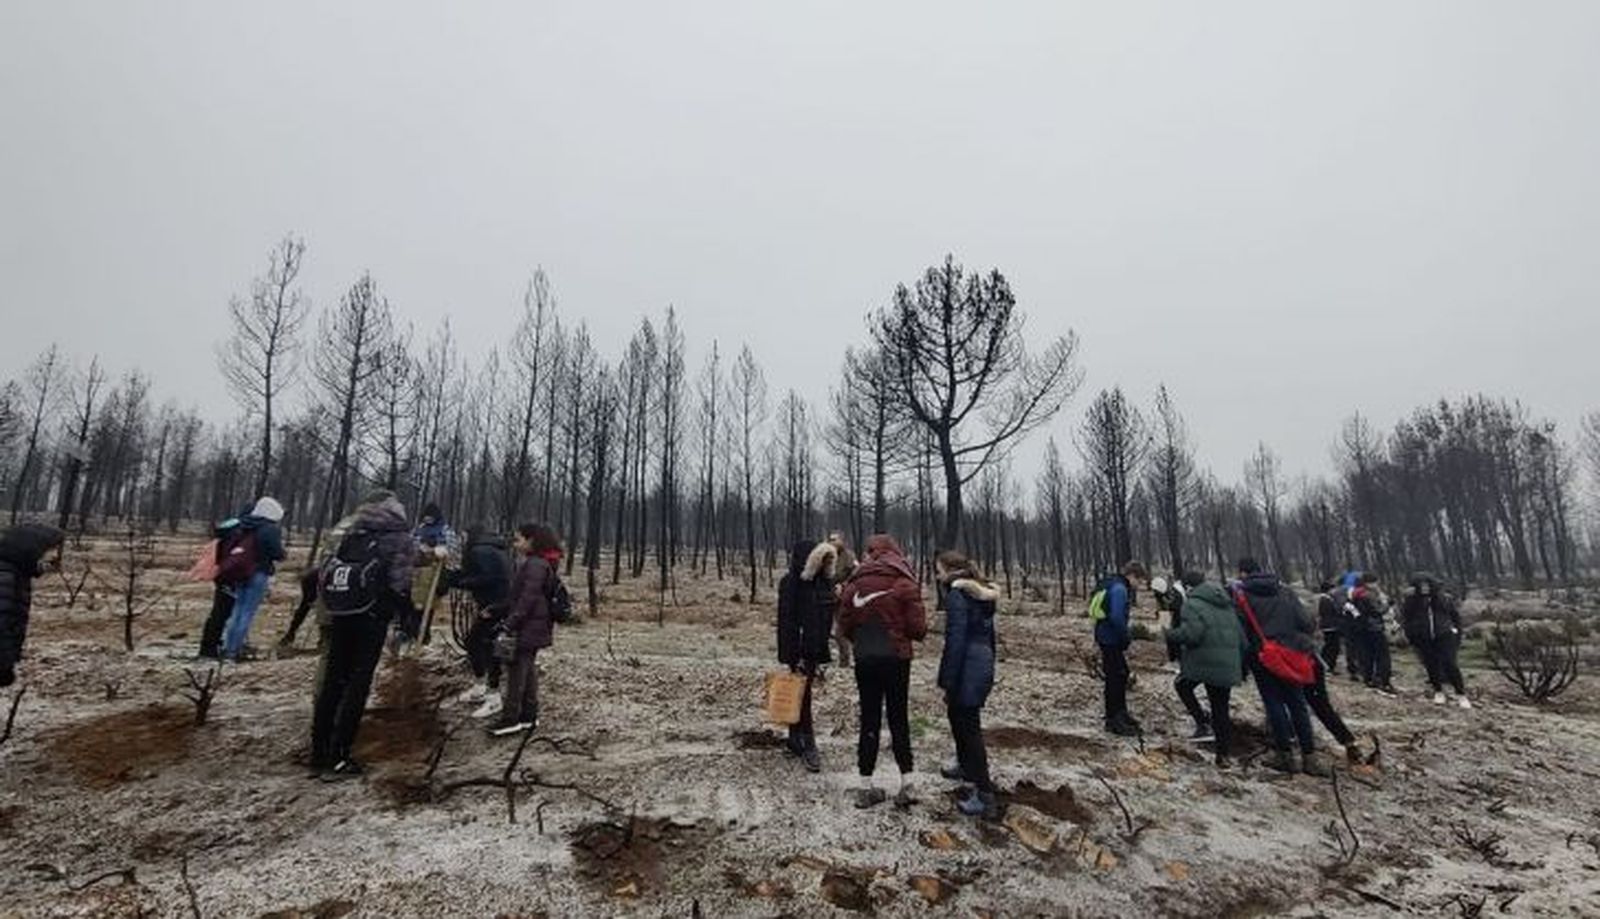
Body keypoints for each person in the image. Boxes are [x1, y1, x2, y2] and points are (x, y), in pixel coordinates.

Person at [310, 491, 419, 779]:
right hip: (372, 615)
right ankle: (340, 755)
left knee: (334, 680)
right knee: (358, 683)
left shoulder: (354, 531)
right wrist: (407, 616)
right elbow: (400, 584)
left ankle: (317, 752)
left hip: (342, 610)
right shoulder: (399, 538)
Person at [837, 534, 927, 809]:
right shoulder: (904, 580)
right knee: (899, 717)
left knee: (869, 718)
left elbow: (844, 624)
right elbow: (919, 629)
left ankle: (865, 786)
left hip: (865, 658)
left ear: (870, 553)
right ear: (894, 551)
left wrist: (862, 641)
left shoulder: (855, 583)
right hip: (897, 658)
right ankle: (907, 783)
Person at [1232, 558, 1330, 776]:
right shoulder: (1285, 591)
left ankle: (1284, 754)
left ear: (1243, 574)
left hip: (1263, 656)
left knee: (1273, 703)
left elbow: (1241, 633)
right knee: (1298, 703)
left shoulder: (1242, 596)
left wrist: (1244, 661)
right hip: (1293, 653)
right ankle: (1309, 756)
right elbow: (1306, 622)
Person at [934, 550, 1002, 820]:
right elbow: (990, 638)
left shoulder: (956, 597)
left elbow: (956, 641)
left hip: (967, 667)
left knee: (968, 727)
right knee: (960, 719)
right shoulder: (979, 595)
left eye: (939, 570)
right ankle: (965, 766)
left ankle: (984, 795)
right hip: (981, 663)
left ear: (950, 570)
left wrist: (947, 680)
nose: (937, 575)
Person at [487, 523, 562, 737]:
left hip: (528, 626)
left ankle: (510, 718)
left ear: (532, 541)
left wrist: (509, 624)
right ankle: (529, 715)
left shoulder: (535, 565)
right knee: (527, 671)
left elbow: (526, 599)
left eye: (519, 539)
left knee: (516, 673)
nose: (515, 543)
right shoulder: (539, 563)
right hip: (534, 625)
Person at [1164, 576, 1247, 768]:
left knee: (1182, 685)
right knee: (1221, 708)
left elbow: (1192, 635)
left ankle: (1202, 723)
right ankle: (1223, 755)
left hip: (1204, 662)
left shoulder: (1192, 604)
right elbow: (1243, 640)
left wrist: (1169, 634)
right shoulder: (1227, 604)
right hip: (1228, 664)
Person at [778, 539, 835, 772]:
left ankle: (794, 738)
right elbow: (786, 621)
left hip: (815, 647)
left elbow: (824, 619)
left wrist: (822, 653)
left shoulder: (822, 582)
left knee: (802, 693)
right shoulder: (792, 583)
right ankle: (808, 743)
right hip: (799, 649)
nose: (824, 564)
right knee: (804, 694)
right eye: (820, 559)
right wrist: (793, 654)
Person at [449, 523, 513, 719]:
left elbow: (487, 578)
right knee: (480, 644)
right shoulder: (492, 549)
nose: (461, 539)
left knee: (483, 645)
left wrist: (460, 582)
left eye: (463, 535)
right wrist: (452, 577)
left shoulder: (479, 551)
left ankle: (493, 697)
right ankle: (482, 688)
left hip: (495, 606)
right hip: (499, 604)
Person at [221, 497, 287, 662]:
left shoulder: (245, 525)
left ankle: (227, 647)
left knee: (236, 610)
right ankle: (233, 651)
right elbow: (277, 553)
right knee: (247, 613)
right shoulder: (270, 529)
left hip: (241, 572)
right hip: (258, 573)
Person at [0, 523, 66, 688]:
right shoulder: (7, 577)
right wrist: (3, 663)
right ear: (29, 551)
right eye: (45, 552)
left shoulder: (15, 569)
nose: (50, 557)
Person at [1094, 561, 1148, 737]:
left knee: (1121, 673)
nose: (1138, 585)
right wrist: (1125, 638)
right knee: (1115, 677)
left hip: (1107, 636)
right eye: (1139, 581)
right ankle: (1114, 719)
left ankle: (1121, 713)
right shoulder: (1120, 589)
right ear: (1132, 575)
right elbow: (1116, 617)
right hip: (1110, 639)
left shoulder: (1116, 585)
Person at [1401, 573, 1471, 709]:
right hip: (1423, 637)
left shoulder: (1444, 599)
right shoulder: (1411, 602)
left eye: (1427, 585)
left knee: (1450, 664)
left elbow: (1455, 617)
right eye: (1421, 585)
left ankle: (1461, 694)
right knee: (1431, 664)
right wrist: (1411, 635)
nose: (1425, 588)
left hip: (1444, 635)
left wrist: (1456, 632)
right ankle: (1438, 691)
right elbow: (1406, 619)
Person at [198, 504, 252, 659]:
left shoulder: (230, 528)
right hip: (229, 578)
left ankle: (210, 646)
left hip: (222, 575)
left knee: (220, 613)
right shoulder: (240, 533)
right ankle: (209, 650)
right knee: (222, 614)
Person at [1349, 573, 1396, 696]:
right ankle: (1383, 680)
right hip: (1374, 628)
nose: (1377, 585)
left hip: (1361, 629)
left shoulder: (1355, 594)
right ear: (1370, 583)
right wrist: (1388, 604)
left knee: (1366, 655)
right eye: (1375, 582)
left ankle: (1368, 678)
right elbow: (1376, 611)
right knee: (1382, 655)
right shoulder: (1368, 595)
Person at [1314, 579, 1345, 675]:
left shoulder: (1327, 599)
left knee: (1330, 646)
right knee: (1332, 647)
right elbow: (1330, 613)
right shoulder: (1325, 600)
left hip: (1330, 626)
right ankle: (1327, 666)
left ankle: (1327, 665)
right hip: (1330, 626)